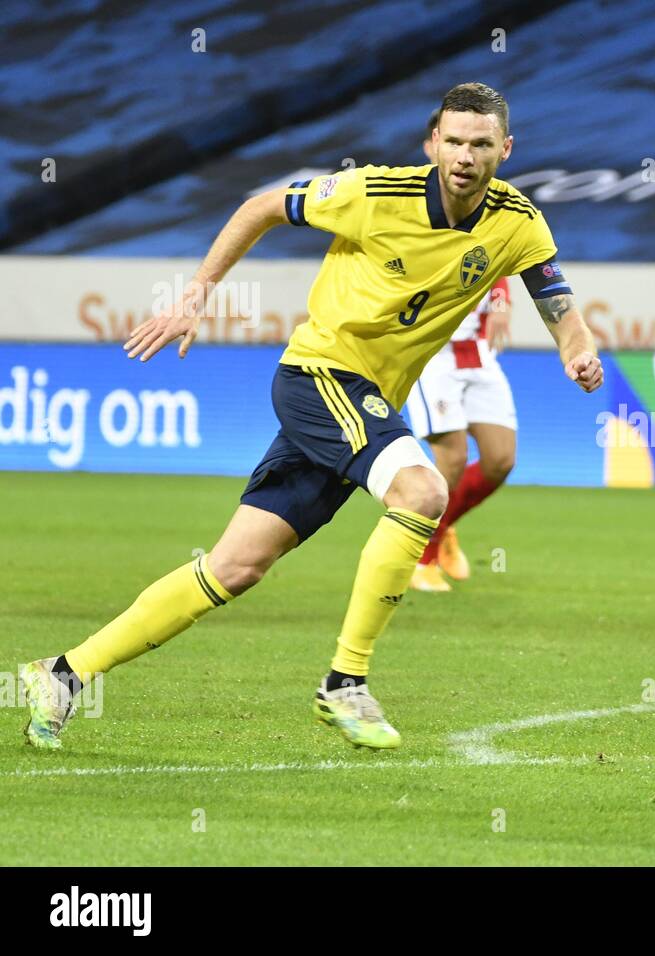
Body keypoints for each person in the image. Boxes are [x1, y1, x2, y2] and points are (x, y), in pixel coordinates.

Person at [20, 83, 603, 752]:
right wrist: (195, 295)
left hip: (364, 400)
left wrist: (578, 350)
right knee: (422, 490)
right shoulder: (373, 194)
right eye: (454, 140)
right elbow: (262, 206)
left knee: (234, 567)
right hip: (320, 375)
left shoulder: (517, 220)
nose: (465, 156)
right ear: (431, 142)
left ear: (505, 148)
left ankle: (62, 674)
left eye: (480, 143)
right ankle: (344, 683)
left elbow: (555, 297)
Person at [405, 275, 516, 593]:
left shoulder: (487, 225)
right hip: (434, 356)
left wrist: (499, 303)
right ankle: (423, 562)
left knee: (500, 460)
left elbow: (501, 265)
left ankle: (444, 522)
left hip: (479, 354)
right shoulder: (424, 229)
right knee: (453, 458)